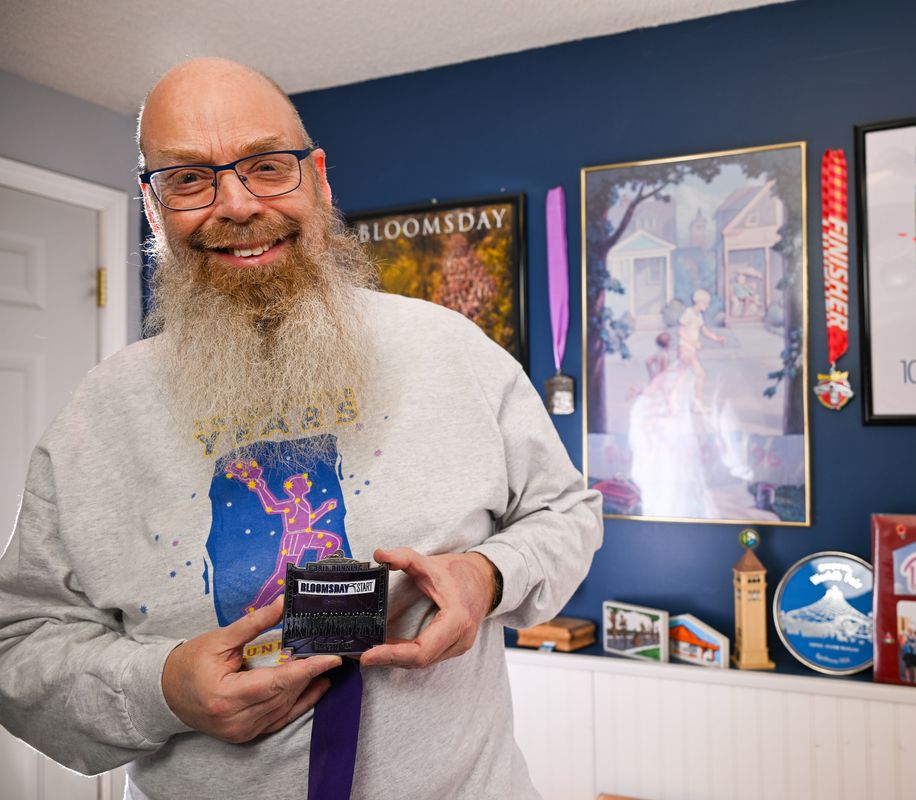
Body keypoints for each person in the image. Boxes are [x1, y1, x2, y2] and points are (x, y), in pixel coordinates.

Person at [0, 57, 603, 800]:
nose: (236, 205)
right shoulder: (98, 416)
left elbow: (566, 512)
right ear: (153, 208)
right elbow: (19, 647)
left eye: (266, 166)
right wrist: (163, 688)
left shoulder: (452, 351)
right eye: (188, 179)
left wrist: (488, 575)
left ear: (317, 180)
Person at [676, 288, 726, 414]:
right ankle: (696, 404)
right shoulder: (688, 313)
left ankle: (678, 402)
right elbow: (680, 331)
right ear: (698, 302)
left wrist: (717, 338)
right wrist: (692, 342)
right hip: (685, 348)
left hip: (689, 349)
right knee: (699, 374)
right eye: (705, 303)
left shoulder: (698, 315)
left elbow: (703, 330)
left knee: (682, 376)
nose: (707, 306)